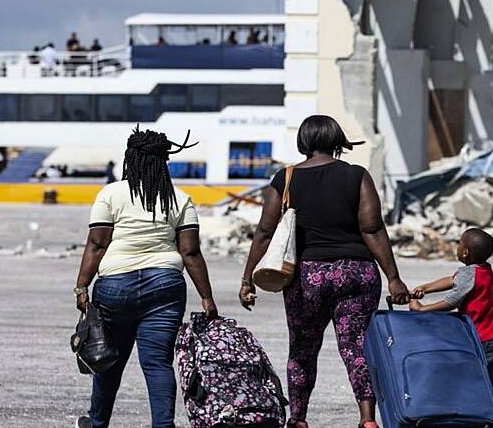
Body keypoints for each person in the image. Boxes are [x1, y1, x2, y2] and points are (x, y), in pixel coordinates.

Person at [239, 115, 410, 428]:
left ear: (303, 141)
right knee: (357, 346)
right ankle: (367, 419)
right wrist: (394, 277)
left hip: (308, 277)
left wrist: (248, 277)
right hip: (357, 273)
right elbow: (372, 227)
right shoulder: (357, 175)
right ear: (336, 140)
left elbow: (265, 230)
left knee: (303, 349)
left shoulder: (285, 177)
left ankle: (299, 419)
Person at [73, 128, 218, 428]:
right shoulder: (180, 199)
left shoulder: (111, 193)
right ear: (163, 161)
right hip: (165, 285)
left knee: (108, 360)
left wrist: (82, 285)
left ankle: (97, 424)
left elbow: (97, 243)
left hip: (115, 286)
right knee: (157, 364)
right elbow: (190, 252)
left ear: (130, 158)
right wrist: (207, 297)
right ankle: (163, 426)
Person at [409, 228, 493, 402]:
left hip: (478, 340)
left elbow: (452, 301)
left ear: (465, 252)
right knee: (489, 388)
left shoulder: (470, 274)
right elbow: (454, 280)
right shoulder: (483, 269)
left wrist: (423, 309)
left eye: (459, 243)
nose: (457, 247)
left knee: (472, 386)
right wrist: (426, 287)